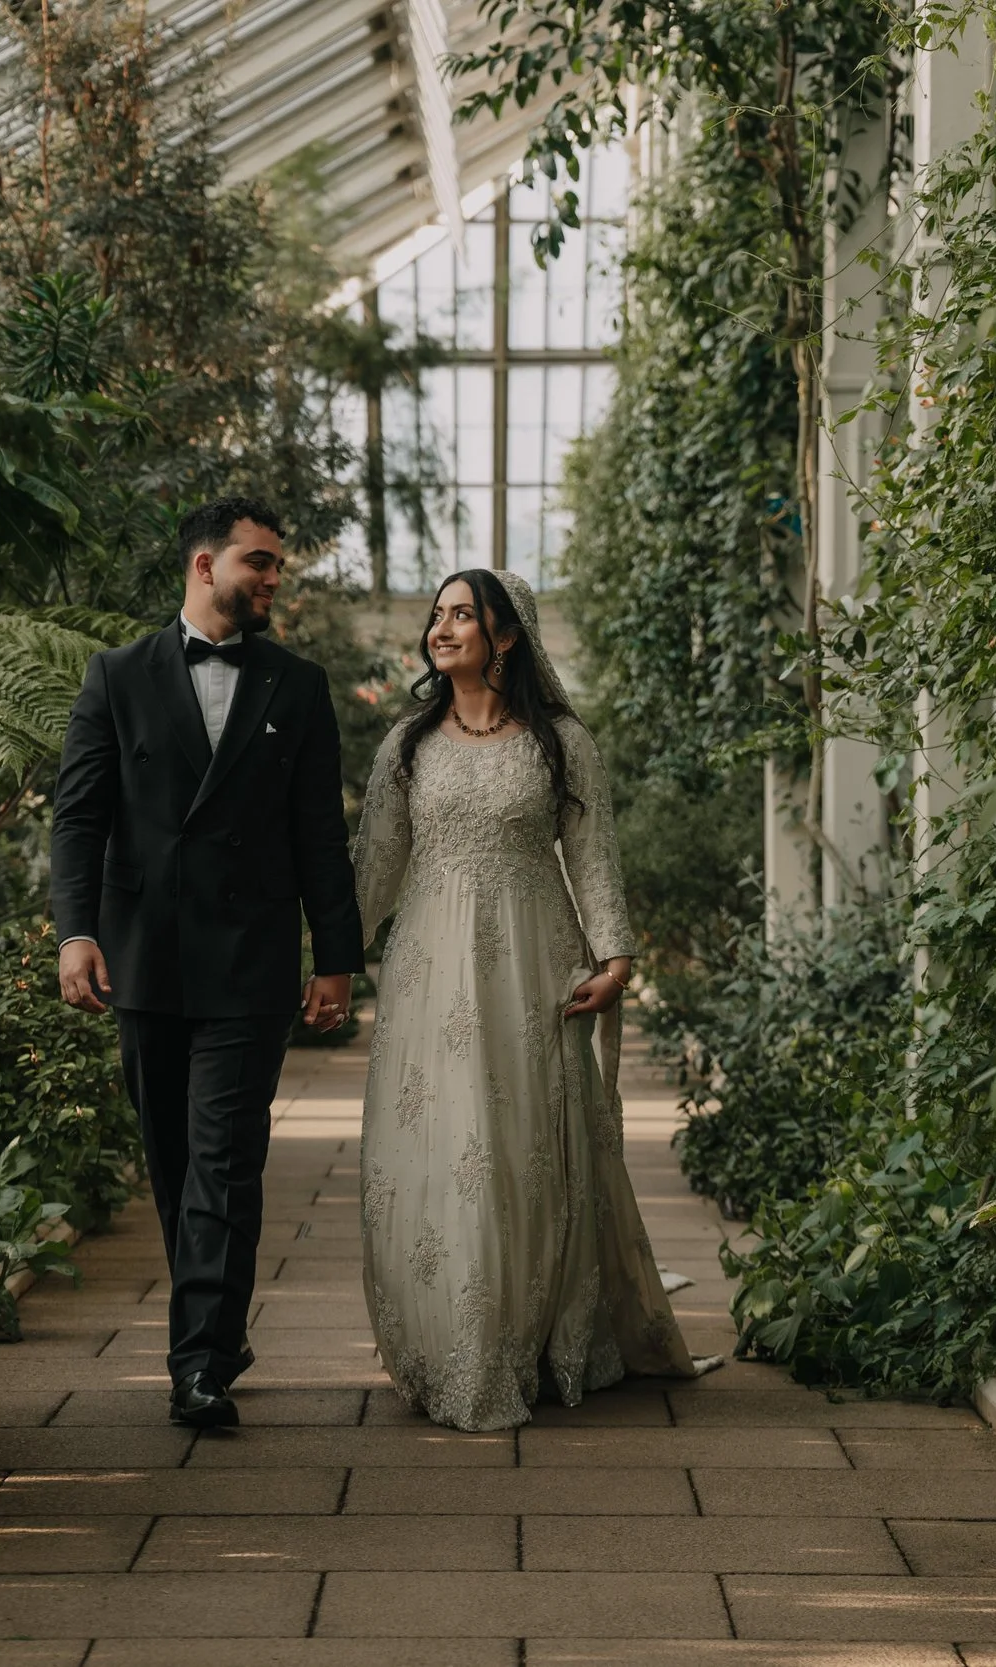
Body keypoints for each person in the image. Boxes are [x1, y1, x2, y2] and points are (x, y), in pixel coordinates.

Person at [351, 567, 713, 1432]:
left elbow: (593, 856)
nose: (441, 629)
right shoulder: (406, 745)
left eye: (461, 615)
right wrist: (323, 961)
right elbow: (374, 866)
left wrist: (618, 955)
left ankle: (538, 1337)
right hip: (430, 967)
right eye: (436, 615)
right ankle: (452, 1348)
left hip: (533, 962)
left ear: (506, 635)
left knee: (523, 1148)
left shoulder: (560, 743)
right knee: (443, 1146)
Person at [50, 497, 363, 1430]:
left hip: (250, 961)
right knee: (174, 1158)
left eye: (277, 568)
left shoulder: (296, 685)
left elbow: (319, 834)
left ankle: (196, 1366)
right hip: (144, 960)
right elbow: (80, 817)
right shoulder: (117, 676)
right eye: (258, 563)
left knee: (225, 1163)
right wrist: (76, 931)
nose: (272, 581)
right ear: (203, 565)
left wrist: (336, 956)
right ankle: (219, 1333)